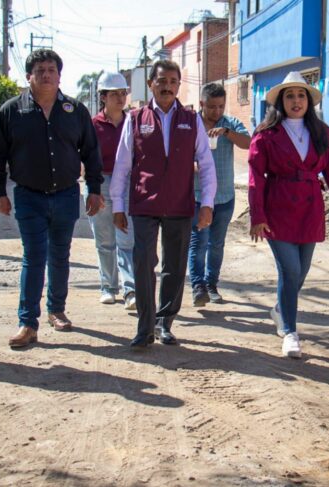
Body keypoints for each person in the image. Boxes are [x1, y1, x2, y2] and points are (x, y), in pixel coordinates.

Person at [0, 49, 103, 348]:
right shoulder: (12, 111)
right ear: (29, 76)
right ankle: (27, 322)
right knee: (34, 257)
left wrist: (94, 189)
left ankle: (57, 310)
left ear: (59, 75)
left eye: (52, 69)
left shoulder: (75, 111)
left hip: (66, 195)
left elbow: (91, 152)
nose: (47, 74)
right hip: (29, 196)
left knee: (60, 256)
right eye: (40, 70)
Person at [248, 71, 329, 358]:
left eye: (300, 96)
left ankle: (279, 310)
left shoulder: (322, 133)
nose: (296, 101)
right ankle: (290, 332)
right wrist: (257, 216)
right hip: (277, 209)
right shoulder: (266, 135)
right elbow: (256, 177)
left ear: (308, 101)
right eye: (289, 96)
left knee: (301, 273)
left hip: (310, 209)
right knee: (291, 270)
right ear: (280, 102)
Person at [110, 59, 217, 349]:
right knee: (143, 263)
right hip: (144, 204)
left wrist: (206, 204)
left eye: (172, 81)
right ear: (151, 84)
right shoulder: (135, 119)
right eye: (161, 81)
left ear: (178, 85)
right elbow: (122, 165)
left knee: (174, 266)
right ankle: (144, 328)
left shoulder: (192, 119)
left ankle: (164, 322)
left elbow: (206, 165)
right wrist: (118, 206)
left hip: (180, 205)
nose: (167, 86)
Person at [189, 83, 250, 306]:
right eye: (212, 107)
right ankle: (198, 286)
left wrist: (226, 133)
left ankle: (211, 284)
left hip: (224, 197)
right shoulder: (190, 124)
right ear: (202, 104)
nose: (217, 111)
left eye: (221, 106)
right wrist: (192, 166)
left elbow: (249, 143)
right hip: (197, 196)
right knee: (199, 243)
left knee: (216, 244)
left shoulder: (229, 123)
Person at [88, 71, 136, 310]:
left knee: (127, 238)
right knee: (105, 239)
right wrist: (92, 190)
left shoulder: (133, 122)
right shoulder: (93, 125)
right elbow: (84, 158)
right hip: (100, 184)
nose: (120, 98)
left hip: (127, 184)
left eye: (123, 93)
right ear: (103, 97)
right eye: (114, 94)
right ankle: (108, 287)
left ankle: (131, 290)